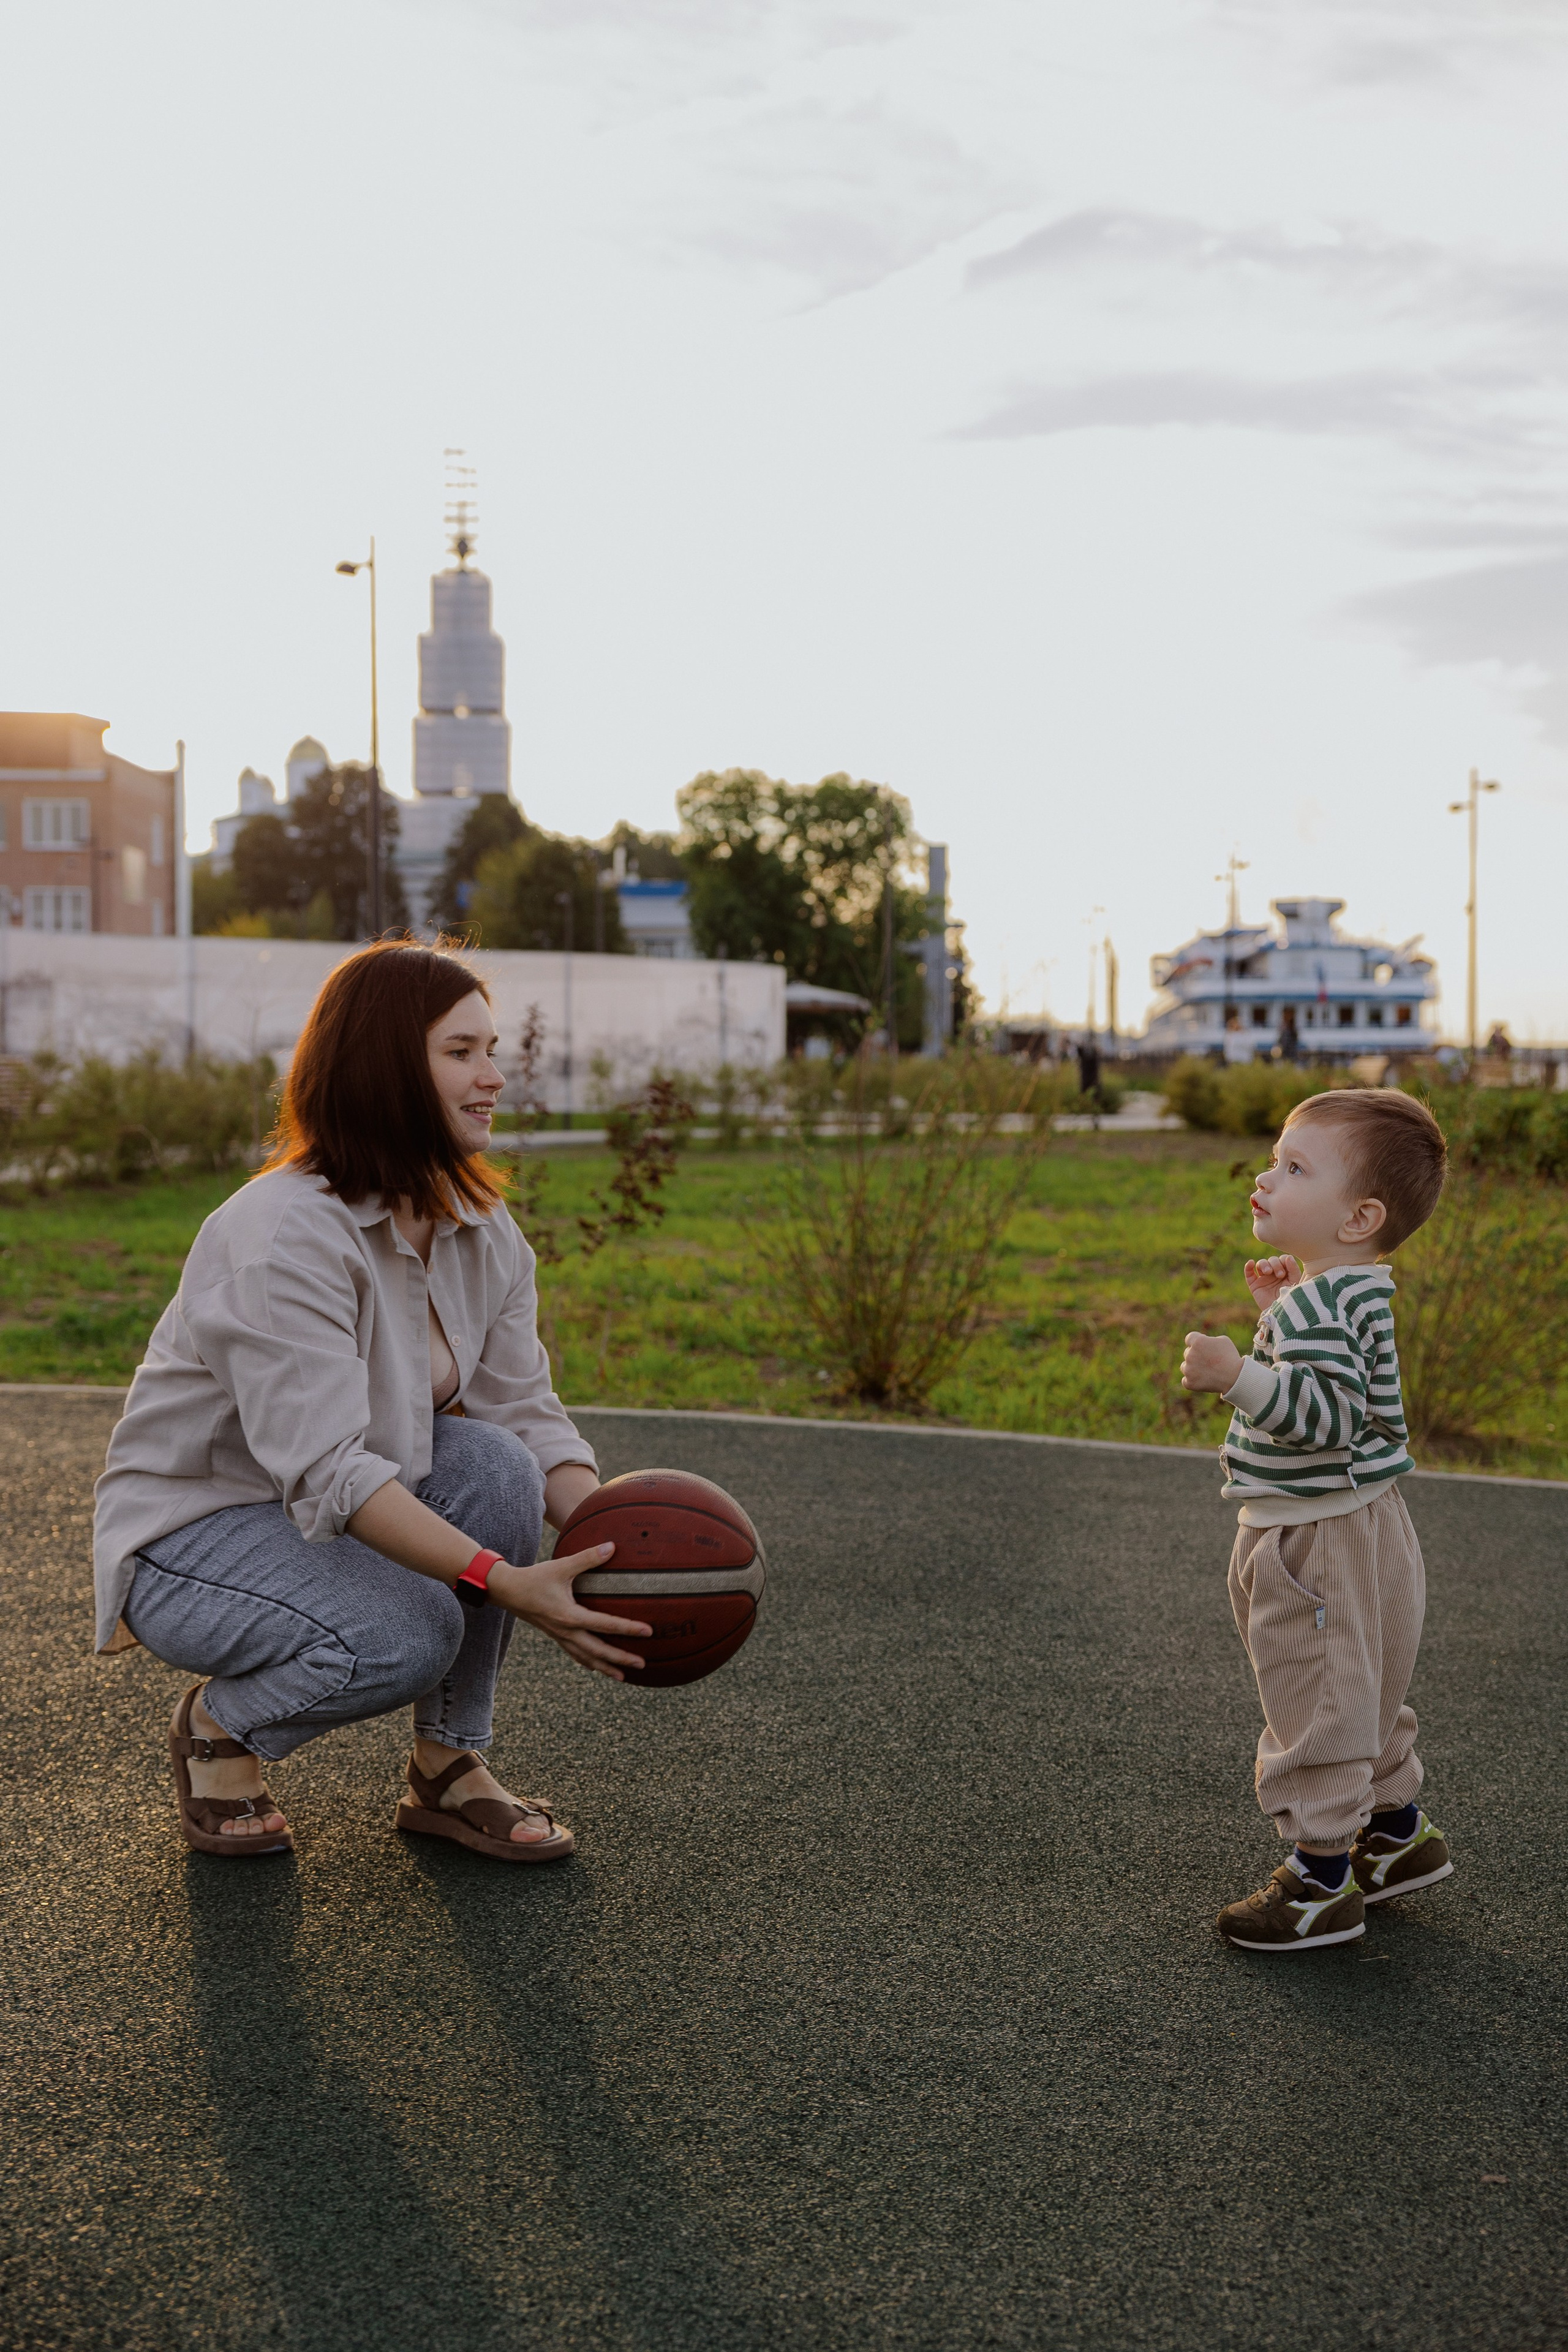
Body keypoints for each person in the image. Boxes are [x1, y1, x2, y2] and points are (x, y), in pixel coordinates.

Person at [92, 941, 652, 1863]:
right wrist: (507, 1582)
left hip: (325, 1510)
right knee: (411, 1629)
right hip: (193, 1536)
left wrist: (614, 1540)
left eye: (493, 1049)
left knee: (498, 1465)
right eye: (462, 1052)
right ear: (389, 1065)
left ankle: (448, 1767)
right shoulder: (280, 1235)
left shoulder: (481, 1227)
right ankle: (221, 1728)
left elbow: (524, 1411)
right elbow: (330, 1473)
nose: (495, 1077)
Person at [1179, 1088, 1453, 1951]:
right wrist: (1278, 1316)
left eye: (1296, 1168)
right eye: (1275, 1158)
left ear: (1359, 1215)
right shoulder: (1352, 1290)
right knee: (1363, 1688)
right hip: (1366, 1524)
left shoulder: (1324, 1305)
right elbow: (1343, 1381)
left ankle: (1318, 1883)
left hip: (1315, 1543)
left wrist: (1237, 1375)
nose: (1267, 1177)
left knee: (1316, 1699)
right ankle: (1395, 1834)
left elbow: (1326, 1415)